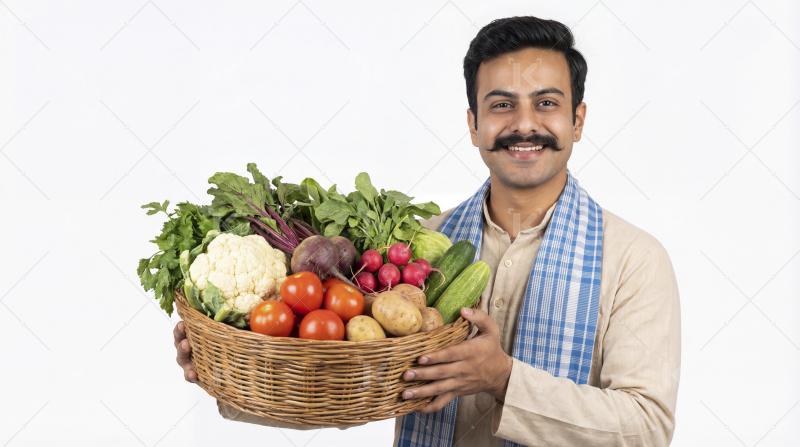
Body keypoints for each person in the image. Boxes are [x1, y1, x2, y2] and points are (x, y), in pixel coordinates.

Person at [175, 15, 680, 446]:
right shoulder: (414, 249)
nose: (525, 124)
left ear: (578, 119)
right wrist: (229, 381)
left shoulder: (632, 258)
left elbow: (647, 427)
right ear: (474, 123)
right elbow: (345, 387)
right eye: (502, 105)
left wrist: (505, 379)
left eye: (546, 103)